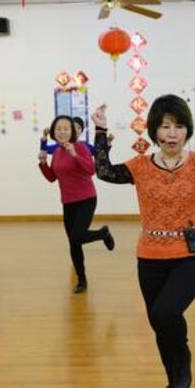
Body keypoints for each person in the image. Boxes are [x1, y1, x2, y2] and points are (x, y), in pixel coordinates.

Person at [91, 96, 195, 388]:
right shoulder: (141, 166)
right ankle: (174, 385)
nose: (172, 133)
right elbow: (103, 171)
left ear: (187, 131)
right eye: (165, 126)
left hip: (191, 255)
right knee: (160, 323)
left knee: (164, 314)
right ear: (154, 131)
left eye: (179, 126)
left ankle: (183, 362)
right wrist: (100, 132)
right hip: (150, 257)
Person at [38, 115, 115, 294]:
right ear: (53, 132)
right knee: (74, 243)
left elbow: (91, 170)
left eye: (66, 128)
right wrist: (43, 163)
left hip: (86, 198)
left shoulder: (81, 147)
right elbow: (52, 178)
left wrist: (75, 154)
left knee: (77, 236)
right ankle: (81, 279)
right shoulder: (56, 152)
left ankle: (103, 234)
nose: (62, 132)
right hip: (68, 202)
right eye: (58, 129)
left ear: (72, 131)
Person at [40, 115, 113, 156]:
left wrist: (108, 142)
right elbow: (45, 149)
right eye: (74, 127)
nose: (76, 130)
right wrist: (45, 136)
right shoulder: (61, 146)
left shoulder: (85, 146)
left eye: (79, 128)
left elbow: (100, 153)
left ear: (82, 131)